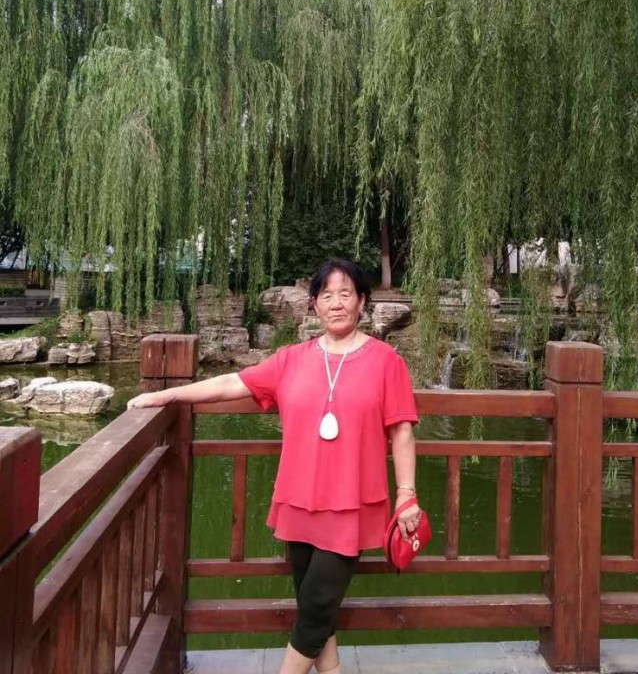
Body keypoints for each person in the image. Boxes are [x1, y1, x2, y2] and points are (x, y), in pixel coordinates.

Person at [127, 257, 421, 674]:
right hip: (298, 499)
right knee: (315, 608)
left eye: (346, 294)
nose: (336, 303)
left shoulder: (386, 361)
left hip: (352, 503)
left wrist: (407, 495)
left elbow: (402, 431)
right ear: (314, 305)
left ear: (362, 302)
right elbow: (233, 383)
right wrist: (168, 395)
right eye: (326, 295)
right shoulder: (292, 359)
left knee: (316, 607)